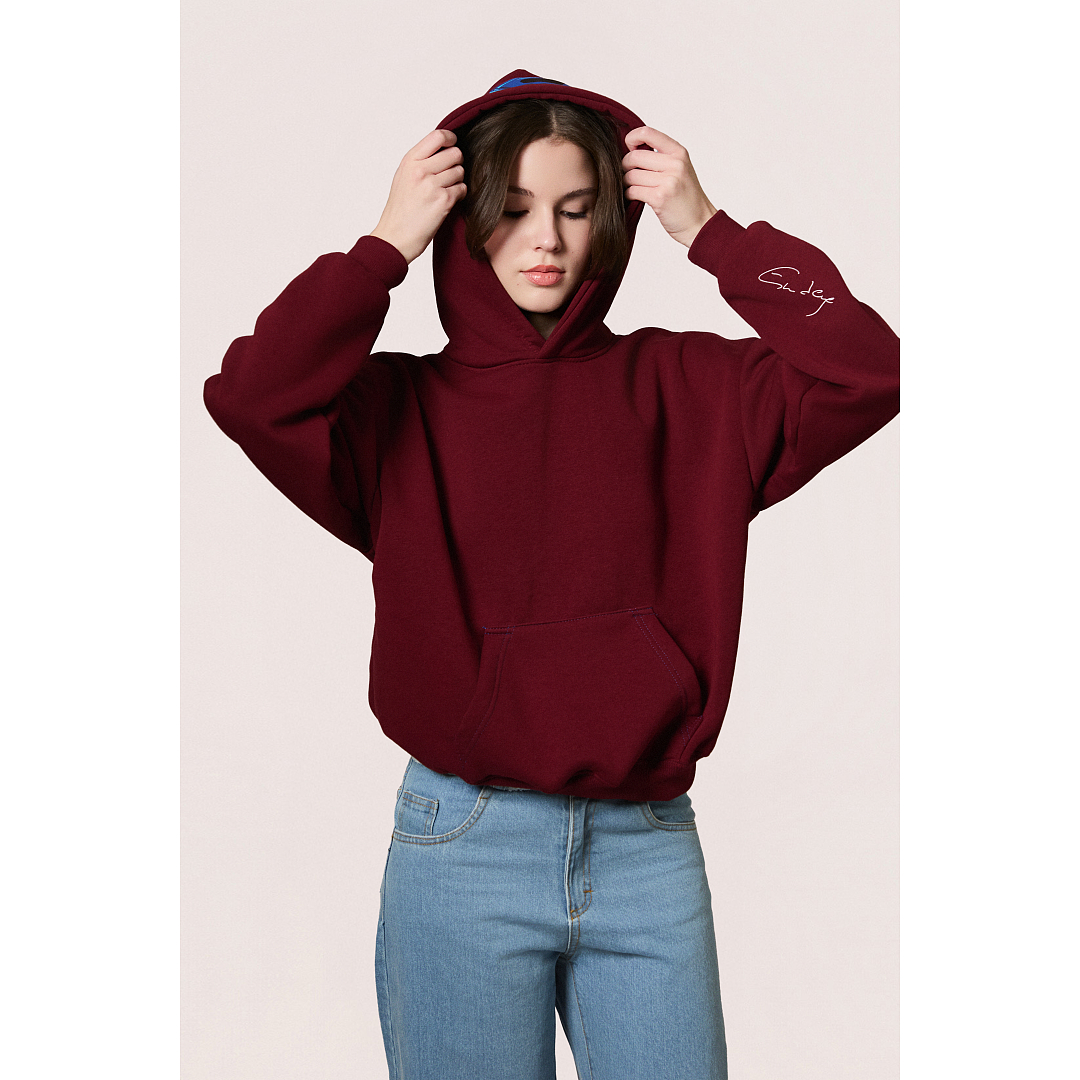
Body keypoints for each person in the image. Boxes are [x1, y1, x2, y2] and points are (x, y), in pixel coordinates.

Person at [203, 69, 899, 1080]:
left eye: (576, 209)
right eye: (515, 208)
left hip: (646, 847)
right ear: (464, 220)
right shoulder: (395, 412)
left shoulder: (693, 390)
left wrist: (713, 232)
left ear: (610, 222)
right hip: (464, 843)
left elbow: (871, 369)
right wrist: (383, 246)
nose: (548, 240)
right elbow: (251, 394)